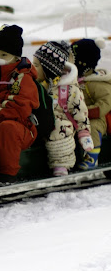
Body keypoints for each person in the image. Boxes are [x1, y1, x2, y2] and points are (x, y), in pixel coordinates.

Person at [0, 24, 39, 184]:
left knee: (7, 129)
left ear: (15, 56)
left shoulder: (23, 77)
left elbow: (19, 107)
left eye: (3, 55)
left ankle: (7, 173)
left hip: (21, 129)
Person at [32, 41, 94, 176]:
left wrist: (84, 132)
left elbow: (80, 111)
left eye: (36, 65)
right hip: (40, 122)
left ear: (49, 68)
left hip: (61, 124)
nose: (32, 68)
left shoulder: (69, 89)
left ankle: (61, 163)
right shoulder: (36, 85)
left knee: (59, 127)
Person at [71, 38, 111, 170]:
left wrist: (88, 112)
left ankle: (92, 158)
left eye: (72, 59)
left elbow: (106, 102)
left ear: (82, 63)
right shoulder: (75, 80)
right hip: (78, 115)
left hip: (97, 118)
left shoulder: (96, 83)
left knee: (92, 127)